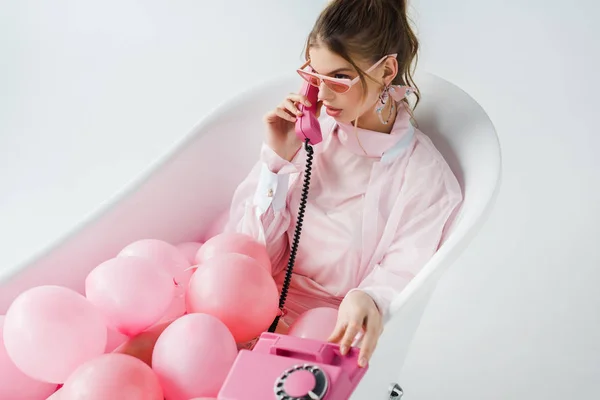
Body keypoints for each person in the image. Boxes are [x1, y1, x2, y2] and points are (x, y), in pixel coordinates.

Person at [225, 0, 463, 368]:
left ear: (387, 70)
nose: (321, 96)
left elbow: (403, 272)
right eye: (314, 78)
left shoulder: (425, 178)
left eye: (337, 78)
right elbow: (252, 255)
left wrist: (368, 296)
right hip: (247, 313)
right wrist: (276, 162)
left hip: (325, 342)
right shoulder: (310, 140)